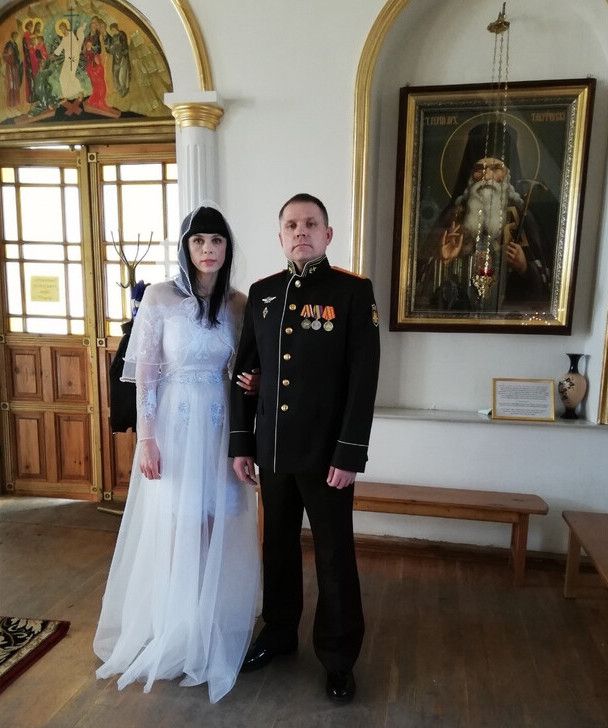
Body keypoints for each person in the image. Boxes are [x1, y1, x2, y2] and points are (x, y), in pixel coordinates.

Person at [94, 205, 260, 703]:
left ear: (227, 248)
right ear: (186, 247)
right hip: (174, 424)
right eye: (198, 241)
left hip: (220, 423)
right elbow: (146, 372)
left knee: (212, 520)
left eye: (217, 241)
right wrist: (146, 438)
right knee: (176, 521)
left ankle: (207, 621)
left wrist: (251, 385)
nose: (208, 249)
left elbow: (243, 367)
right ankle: (175, 623)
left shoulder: (238, 303)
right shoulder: (161, 297)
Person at [229, 193, 380, 703]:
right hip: (272, 450)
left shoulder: (352, 292)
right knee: (277, 547)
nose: (301, 231)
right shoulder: (263, 293)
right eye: (292, 225)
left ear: (327, 234)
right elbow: (245, 373)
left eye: (311, 223)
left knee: (334, 555)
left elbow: (363, 379)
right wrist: (242, 443)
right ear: (280, 236)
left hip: (326, 455)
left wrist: (349, 453)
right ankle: (278, 633)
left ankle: (338, 657)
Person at [421, 123, 551, 313]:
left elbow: (545, 291)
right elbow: (423, 289)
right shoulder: (453, 216)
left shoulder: (523, 217)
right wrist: (443, 261)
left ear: (508, 175)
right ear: (469, 175)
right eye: (479, 168)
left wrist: (524, 266)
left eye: (496, 168)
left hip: (509, 316)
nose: (487, 176)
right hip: (459, 314)